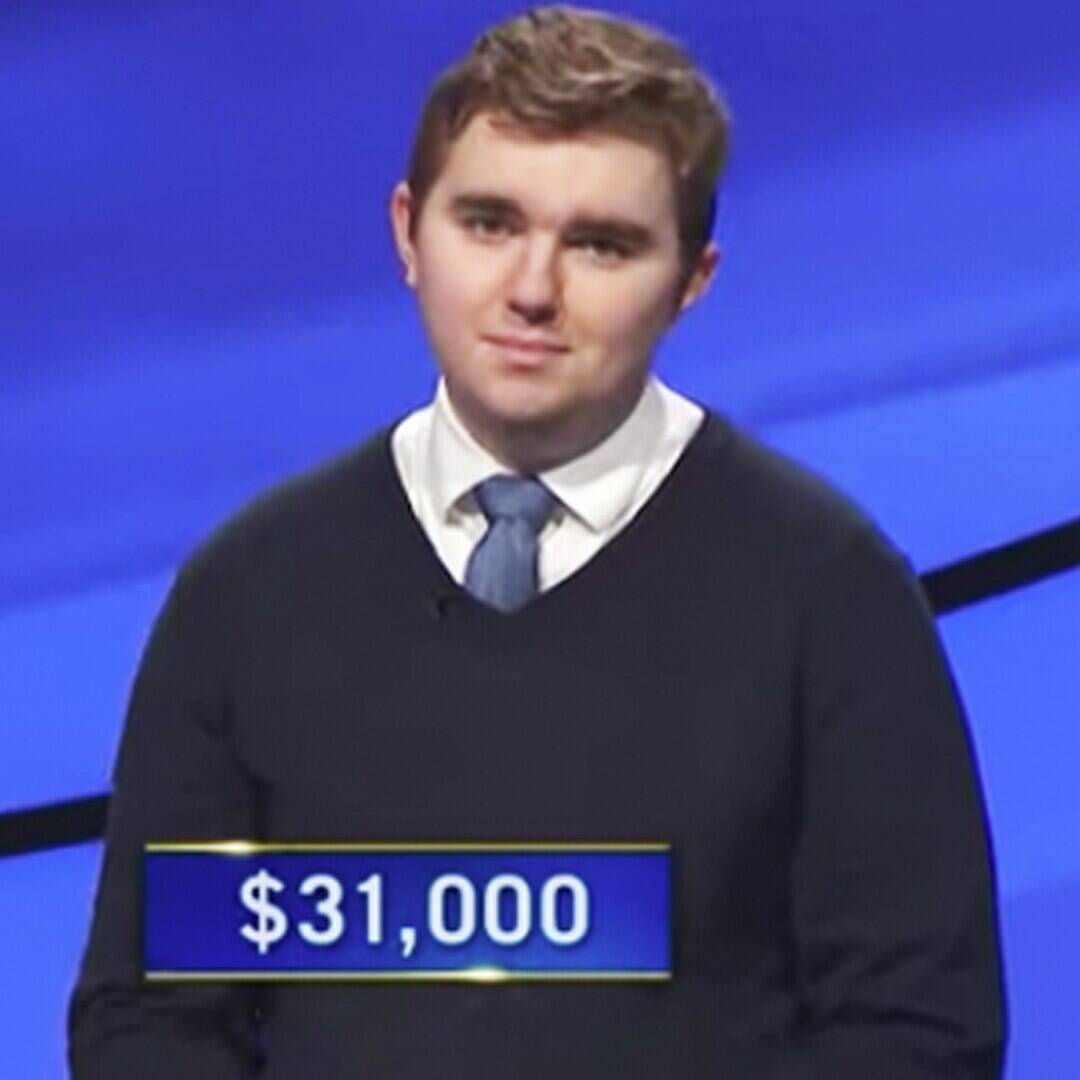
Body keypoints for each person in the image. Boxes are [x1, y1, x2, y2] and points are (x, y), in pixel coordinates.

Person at [68, 6, 1006, 1077]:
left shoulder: (827, 595)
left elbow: (915, 1034)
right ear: (407, 233)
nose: (530, 291)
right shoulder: (252, 592)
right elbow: (152, 1016)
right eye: (488, 223)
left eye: (600, 244)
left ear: (691, 280)